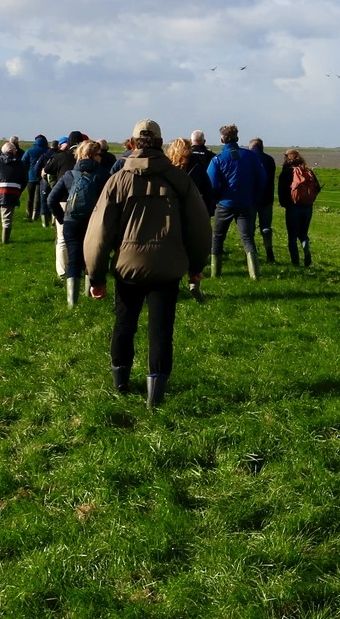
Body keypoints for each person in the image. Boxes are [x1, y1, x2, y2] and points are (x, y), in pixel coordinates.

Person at [85, 119, 211, 407]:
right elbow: (200, 227)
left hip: (127, 267)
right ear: (159, 142)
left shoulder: (117, 180)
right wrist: (196, 266)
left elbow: (98, 233)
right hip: (167, 267)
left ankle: (121, 381)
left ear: (133, 143)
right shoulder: (179, 180)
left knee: (124, 323)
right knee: (161, 329)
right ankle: (156, 394)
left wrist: (96, 276)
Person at [46, 139, 109, 307]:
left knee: (73, 260)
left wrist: (62, 219)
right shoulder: (103, 175)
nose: (101, 157)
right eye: (99, 154)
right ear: (93, 155)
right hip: (93, 223)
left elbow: (51, 200)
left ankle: (71, 303)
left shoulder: (69, 175)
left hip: (71, 222)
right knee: (91, 259)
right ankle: (89, 294)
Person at [207, 124, 271, 277]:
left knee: (218, 237)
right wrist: (254, 196)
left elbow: (212, 183)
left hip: (225, 203)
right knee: (248, 237)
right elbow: (262, 178)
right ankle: (254, 274)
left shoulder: (218, 159)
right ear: (237, 138)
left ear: (222, 139)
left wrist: (217, 198)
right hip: (246, 203)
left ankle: (215, 272)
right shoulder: (251, 156)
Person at [278, 148, 320, 267]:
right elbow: (317, 187)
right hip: (307, 207)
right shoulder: (308, 170)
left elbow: (282, 191)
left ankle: (295, 263)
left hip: (293, 207)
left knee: (292, 235)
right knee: (303, 233)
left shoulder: (287, 171)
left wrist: (285, 204)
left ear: (287, 158)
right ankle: (306, 248)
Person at [0, 138, 27, 243]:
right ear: (12, 151)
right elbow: (24, 179)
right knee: (7, 217)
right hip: (12, 192)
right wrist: (19, 191)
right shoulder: (19, 163)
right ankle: (5, 240)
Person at [184, 130, 216, 216]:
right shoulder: (212, 156)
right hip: (206, 195)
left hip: (187, 193)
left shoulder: (184, 156)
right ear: (204, 141)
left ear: (191, 141)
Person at [22, 134, 53, 221]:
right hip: (42, 177)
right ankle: (36, 214)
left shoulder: (30, 150)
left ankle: (29, 213)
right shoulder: (47, 150)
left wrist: (27, 170)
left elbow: (23, 161)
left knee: (30, 196)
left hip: (31, 176)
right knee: (39, 197)